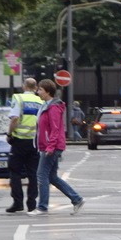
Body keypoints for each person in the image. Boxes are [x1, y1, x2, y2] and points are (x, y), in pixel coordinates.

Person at [28, 79, 84, 216]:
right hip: (48, 146)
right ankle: (76, 199)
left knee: (41, 175)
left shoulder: (53, 107)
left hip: (51, 147)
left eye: (40, 89)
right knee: (52, 176)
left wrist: (50, 146)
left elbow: (55, 129)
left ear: (48, 91)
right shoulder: (46, 105)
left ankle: (42, 207)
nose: (38, 91)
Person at [6, 78, 42, 213]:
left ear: (24, 86)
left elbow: (14, 118)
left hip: (19, 140)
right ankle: (32, 204)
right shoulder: (40, 101)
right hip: (34, 142)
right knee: (33, 174)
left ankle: (17, 202)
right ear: (36, 87)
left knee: (15, 172)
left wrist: (9, 134)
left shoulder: (18, 98)